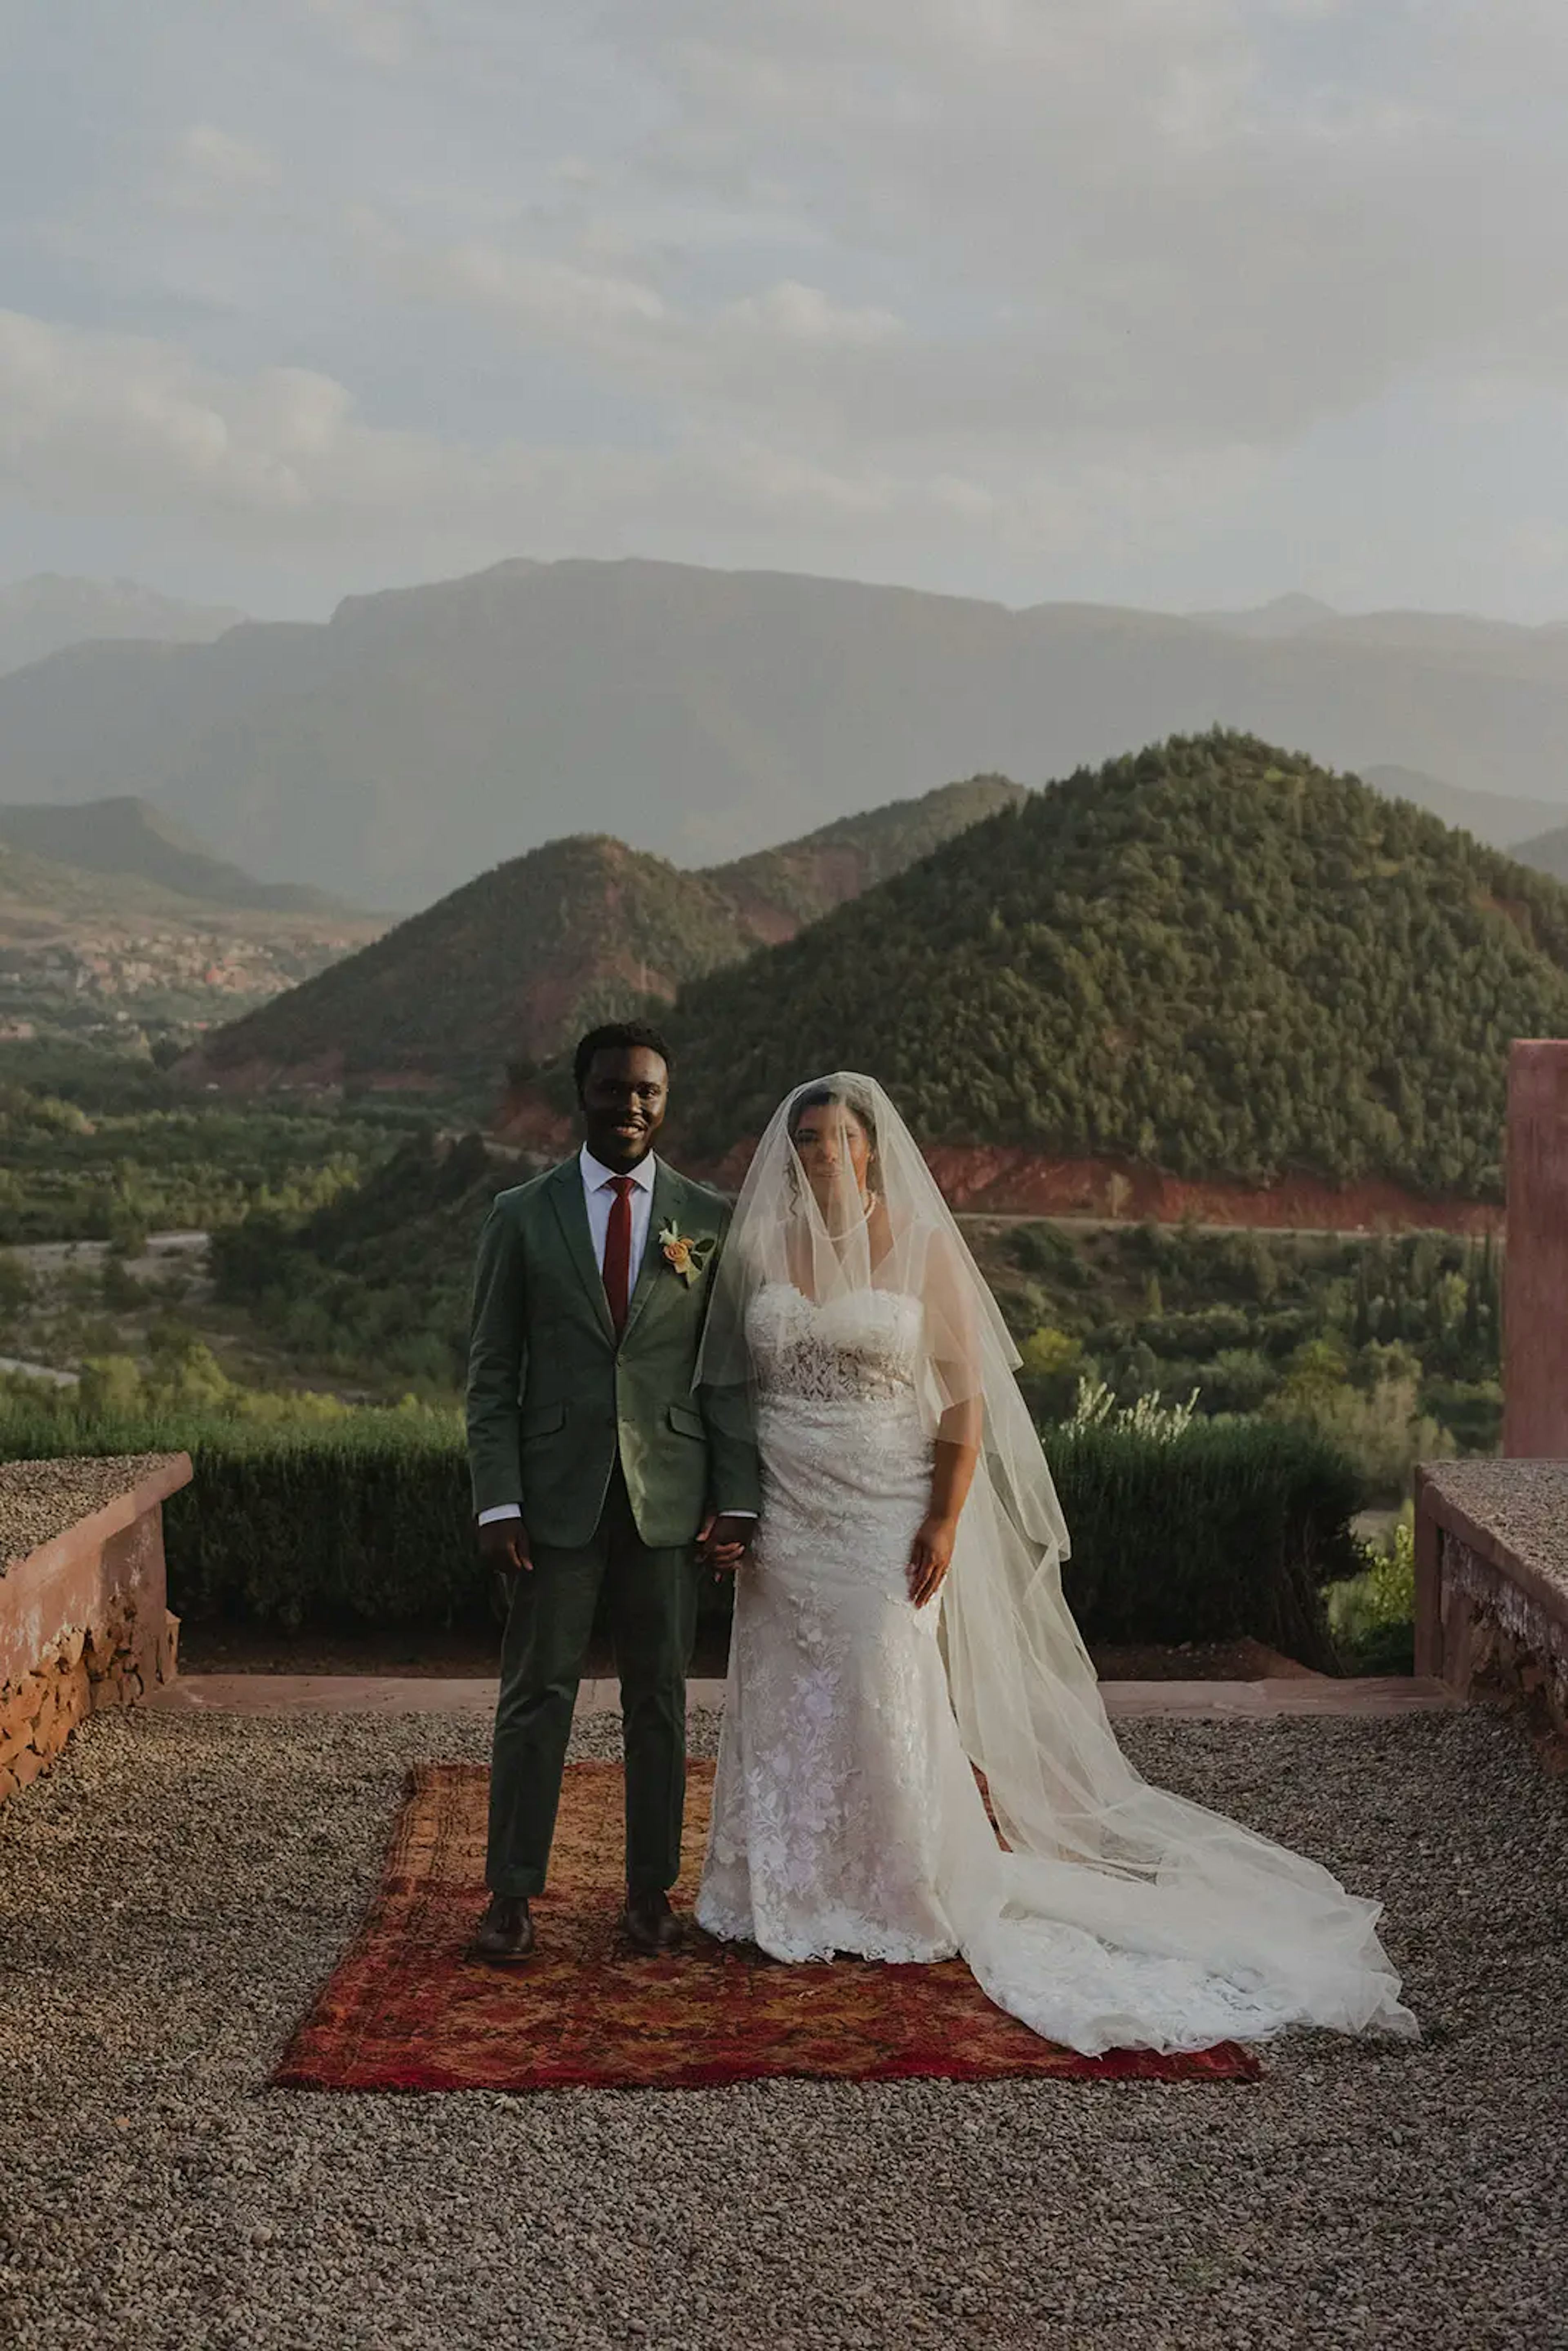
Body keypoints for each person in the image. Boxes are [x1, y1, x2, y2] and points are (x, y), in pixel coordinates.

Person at [694, 1072, 1417, 2055]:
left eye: (836, 1137)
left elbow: (961, 1400)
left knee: (879, 1678)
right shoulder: (762, 1250)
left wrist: (944, 1520)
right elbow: (725, 1390)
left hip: (879, 1503)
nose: (819, 1151)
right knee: (783, 1685)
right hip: (787, 1507)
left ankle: (896, 1888)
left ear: (871, 1149)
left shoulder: (918, 1245)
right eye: (806, 1137)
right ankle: (779, 1884)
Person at [466, 1021, 759, 1961]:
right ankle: (511, 1898)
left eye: (648, 1091)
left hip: (669, 1501)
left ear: (666, 1101)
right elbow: (490, 1373)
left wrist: (738, 1496)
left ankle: (649, 1896)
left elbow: (727, 1377)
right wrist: (497, 1497)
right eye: (614, 1088)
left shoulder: (707, 1220)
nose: (631, 1104)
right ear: (580, 1094)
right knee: (534, 1697)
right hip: (552, 1502)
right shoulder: (521, 1213)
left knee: (660, 1702)